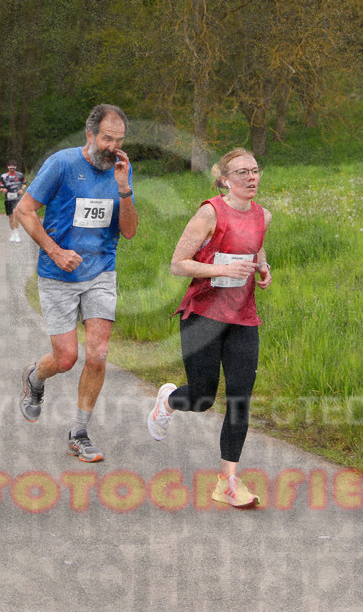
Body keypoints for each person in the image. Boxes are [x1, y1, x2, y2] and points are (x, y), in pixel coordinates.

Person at [146, 148, 272, 508]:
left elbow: (256, 248)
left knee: (240, 399)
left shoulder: (263, 215)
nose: (251, 177)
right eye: (242, 172)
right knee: (202, 397)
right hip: (203, 315)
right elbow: (178, 264)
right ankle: (169, 401)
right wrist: (221, 270)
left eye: (255, 170)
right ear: (225, 180)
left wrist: (263, 268)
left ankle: (227, 482)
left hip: (243, 317)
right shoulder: (209, 213)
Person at [14, 104, 138, 463]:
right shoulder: (62, 164)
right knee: (66, 358)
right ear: (90, 135)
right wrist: (55, 252)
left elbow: (129, 231)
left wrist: (124, 189)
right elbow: (24, 210)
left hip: (101, 271)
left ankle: (79, 434)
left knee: (98, 353)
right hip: (58, 274)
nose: (113, 147)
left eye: (119, 140)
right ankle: (35, 378)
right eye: (107, 139)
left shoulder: (122, 170)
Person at [0, 163, 27, 242]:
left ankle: (17, 233)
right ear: (8, 167)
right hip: (8, 198)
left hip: (17, 198)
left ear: (15, 168)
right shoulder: (3, 176)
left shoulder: (20, 175)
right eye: (10, 168)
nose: (12, 169)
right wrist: (3, 190)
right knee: (11, 217)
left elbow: (24, 183)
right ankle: (13, 233)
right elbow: (1, 187)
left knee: (16, 215)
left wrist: (22, 189)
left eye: (13, 168)